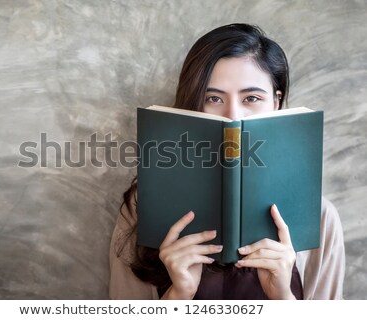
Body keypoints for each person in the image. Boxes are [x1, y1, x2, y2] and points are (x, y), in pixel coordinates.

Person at [109, 23, 345, 300]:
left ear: (277, 102)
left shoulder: (320, 217)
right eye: (213, 98)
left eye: (252, 98)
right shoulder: (140, 208)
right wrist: (178, 294)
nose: (233, 115)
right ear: (194, 104)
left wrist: (284, 297)